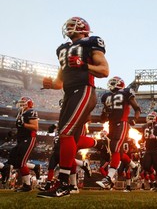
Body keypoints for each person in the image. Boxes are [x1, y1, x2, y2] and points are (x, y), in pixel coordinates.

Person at [37, 16, 109, 198]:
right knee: (67, 139)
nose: (68, 28)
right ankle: (68, 183)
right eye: (67, 25)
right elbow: (60, 82)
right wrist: (50, 84)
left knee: (66, 133)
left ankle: (64, 184)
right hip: (69, 93)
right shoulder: (62, 49)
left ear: (83, 28)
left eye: (72, 25)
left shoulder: (91, 42)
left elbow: (104, 70)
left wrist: (84, 64)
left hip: (84, 90)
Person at [96, 76, 141, 189]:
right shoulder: (106, 96)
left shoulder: (126, 92)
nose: (111, 83)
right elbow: (102, 119)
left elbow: (137, 108)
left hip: (122, 123)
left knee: (115, 148)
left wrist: (135, 119)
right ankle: (134, 166)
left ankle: (109, 179)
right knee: (119, 153)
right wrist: (105, 113)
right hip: (111, 125)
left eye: (114, 82)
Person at [3, 96, 39, 192]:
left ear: (29, 103)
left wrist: (23, 124)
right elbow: (20, 127)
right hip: (21, 139)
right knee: (14, 161)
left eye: (24, 103)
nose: (21, 104)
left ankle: (27, 185)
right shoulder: (21, 113)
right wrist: (14, 132)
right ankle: (35, 167)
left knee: (22, 162)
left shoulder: (31, 112)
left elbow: (35, 127)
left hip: (29, 138)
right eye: (21, 102)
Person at [139, 111, 157, 192]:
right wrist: (140, 142)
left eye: (152, 117)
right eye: (149, 117)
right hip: (148, 149)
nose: (149, 119)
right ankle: (155, 178)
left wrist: (156, 137)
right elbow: (143, 138)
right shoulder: (144, 126)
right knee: (146, 166)